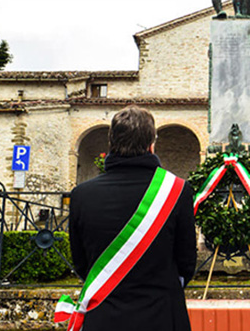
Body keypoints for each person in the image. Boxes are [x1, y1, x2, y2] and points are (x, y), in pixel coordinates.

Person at [69, 106, 196, 331]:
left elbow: (80, 263)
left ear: (111, 142)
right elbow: (186, 264)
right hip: (162, 316)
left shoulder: (81, 195)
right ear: (151, 143)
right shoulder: (178, 191)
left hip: (103, 317)